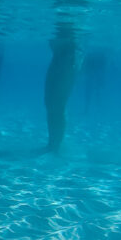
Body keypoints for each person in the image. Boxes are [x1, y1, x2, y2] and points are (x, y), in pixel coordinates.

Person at [44, 22, 77, 152]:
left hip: (66, 61)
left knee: (58, 104)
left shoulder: (70, 31)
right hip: (58, 60)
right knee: (49, 103)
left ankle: (55, 146)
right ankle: (52, 143)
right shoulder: (64, 31)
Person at [81, 50, 106, 115]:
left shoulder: (90, 55)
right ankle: (95, 108)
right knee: (95, 91)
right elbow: (102, 68)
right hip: (93, 75)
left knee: (92, 91)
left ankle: (89, 109)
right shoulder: (100, 55)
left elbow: (85, 65)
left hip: (92, 75)